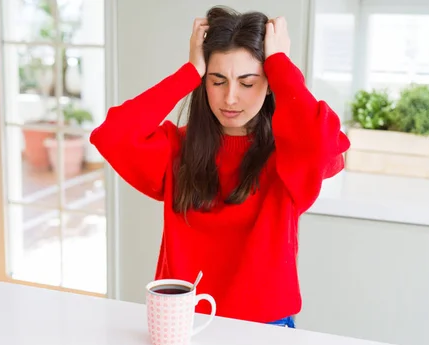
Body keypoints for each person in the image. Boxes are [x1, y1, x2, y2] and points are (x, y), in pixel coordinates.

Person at [90, 6, 350, 328]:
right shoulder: (178, 149)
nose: (230, 98)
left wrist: (280, 64)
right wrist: (188, 71)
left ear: (269, 83)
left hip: (265, 328)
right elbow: (112, 134)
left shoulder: (289, 155)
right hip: (181, 320)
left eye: (248, 82)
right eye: (217, 81)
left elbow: (327, 144)